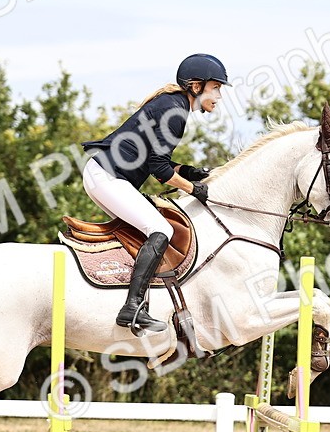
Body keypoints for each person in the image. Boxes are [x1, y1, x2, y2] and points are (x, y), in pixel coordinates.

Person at [81, 53, 229, 333]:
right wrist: (194, 190)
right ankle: (132, 307)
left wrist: (190, 172)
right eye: (216, 88)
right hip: (108, 177)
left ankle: (124, 295)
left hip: (103, 175)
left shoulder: (173, 104)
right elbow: (159, 170)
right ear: (196, 86)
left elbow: (158, 161)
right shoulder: (175, 111)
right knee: (161, 229)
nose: (219, 96)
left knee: (146, 230)